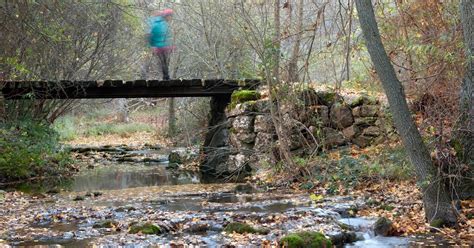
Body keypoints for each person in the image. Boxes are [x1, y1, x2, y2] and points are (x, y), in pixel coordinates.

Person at [148, 9, 174, 80]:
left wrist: (169, 46)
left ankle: (166, 76)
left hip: (161, 46)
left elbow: (164, 36)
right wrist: (152, 46)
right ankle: (165, 77)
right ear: (167, 16)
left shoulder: (163, 23)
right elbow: (151, 34)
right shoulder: (159, 23)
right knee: (163, 61)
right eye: (170, 16)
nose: (170, 18)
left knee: (165, 61)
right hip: (158, 47)